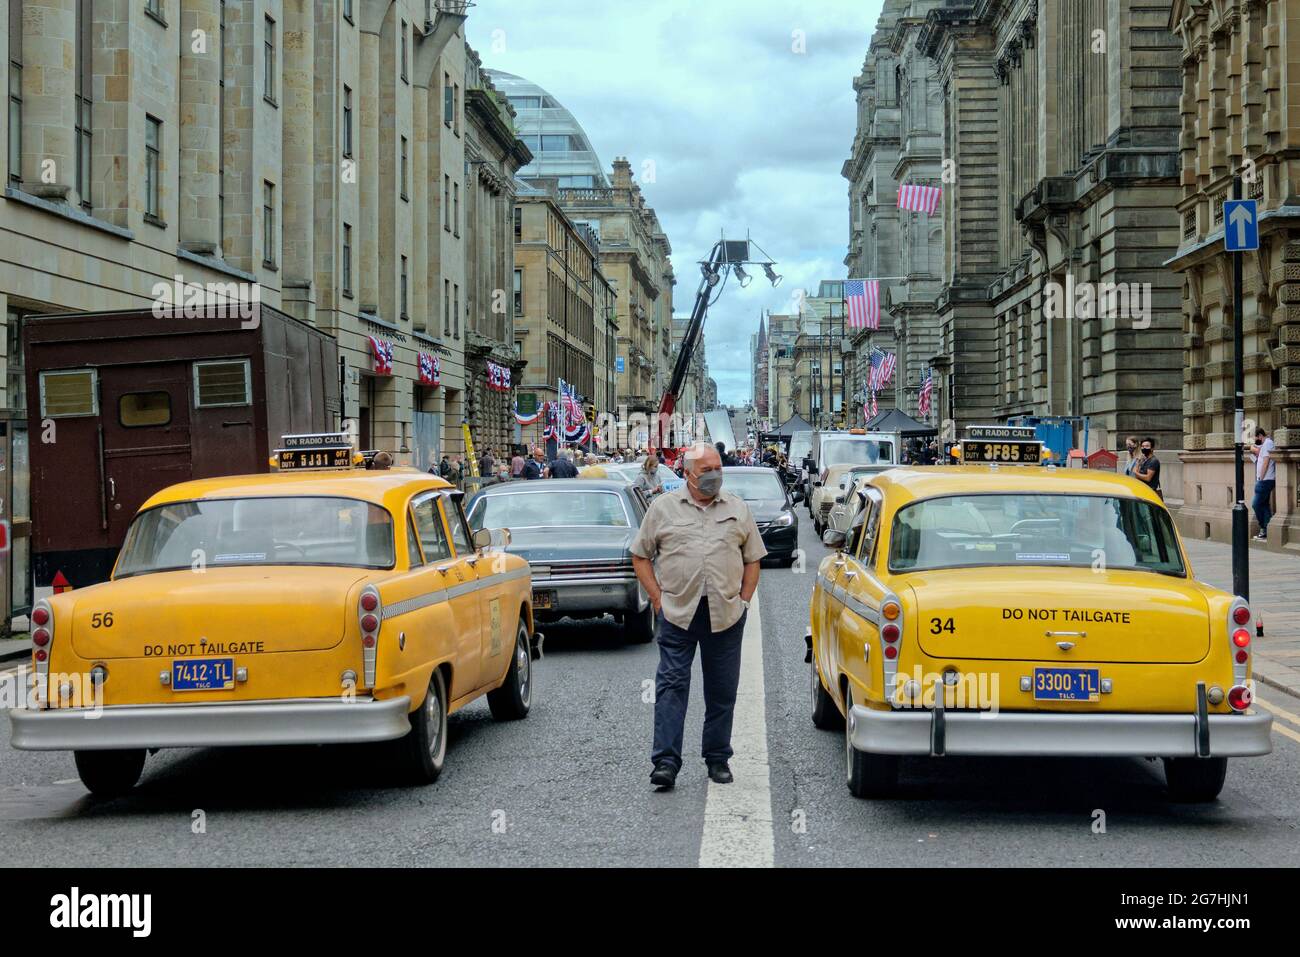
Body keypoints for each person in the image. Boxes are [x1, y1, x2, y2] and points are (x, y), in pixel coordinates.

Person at [631, 443, 767, 790]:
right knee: (671, 688)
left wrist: (745, 601)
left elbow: (753, 558)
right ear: (688, 474)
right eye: (706, 470)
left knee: (722, 691)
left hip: (725, 614)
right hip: (678, 613)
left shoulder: (737, 508)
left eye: (717, 468)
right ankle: (665, 762)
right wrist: (657, 599)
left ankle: (717, 759)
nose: (714, 476)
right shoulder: (663, 508)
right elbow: (640, 555)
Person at [1251, 427, 1276, 541]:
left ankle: (1263, 527)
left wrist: (1260, 478)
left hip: (1265, 480)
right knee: (1264, 505)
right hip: (1264, 479)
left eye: (1257, 438)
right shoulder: (1265, 443)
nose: (1257, 441)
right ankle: (1267, 530)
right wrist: (1253, 447)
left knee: (1256, 504)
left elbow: (1266, 461)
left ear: (1261, 435)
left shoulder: (1268, 443)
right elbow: (1256, 449)